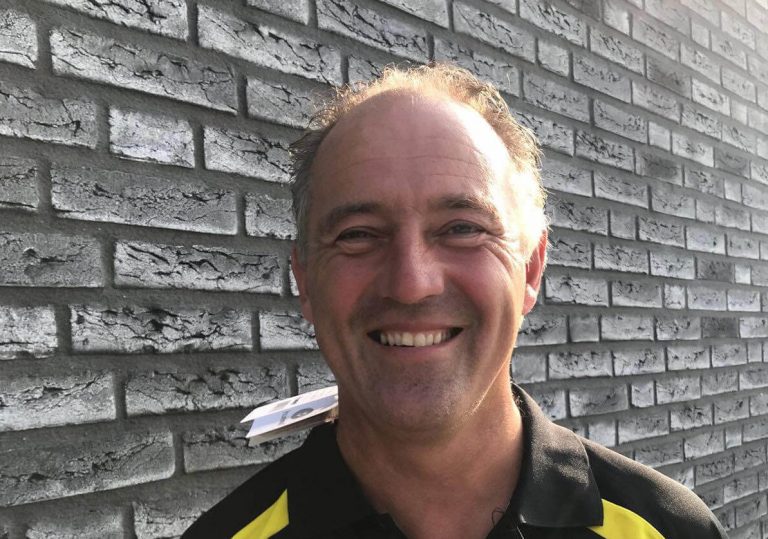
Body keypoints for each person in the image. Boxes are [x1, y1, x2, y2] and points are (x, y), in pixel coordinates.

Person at [182, 64, 727, 539]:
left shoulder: (671, 530)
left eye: (463, 228)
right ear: (304, 279)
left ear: (531, 269)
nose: (411, 283)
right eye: (358, 234)